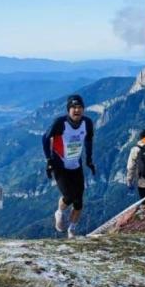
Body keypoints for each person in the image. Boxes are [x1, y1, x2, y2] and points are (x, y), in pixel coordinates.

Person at [42, 94, 95, 238]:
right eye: (73, 107)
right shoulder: (60, 123)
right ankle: (59, 212)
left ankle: (71, 230)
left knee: (79, 202)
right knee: (69, 196)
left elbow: (89, 140)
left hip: (76, 166)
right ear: (68, 110)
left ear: (83, 109)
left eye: (79, 107)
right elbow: (45, 138)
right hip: (60, 165)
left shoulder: (87, 123)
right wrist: (48, 160)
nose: (77, 110)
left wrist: (89, 160)